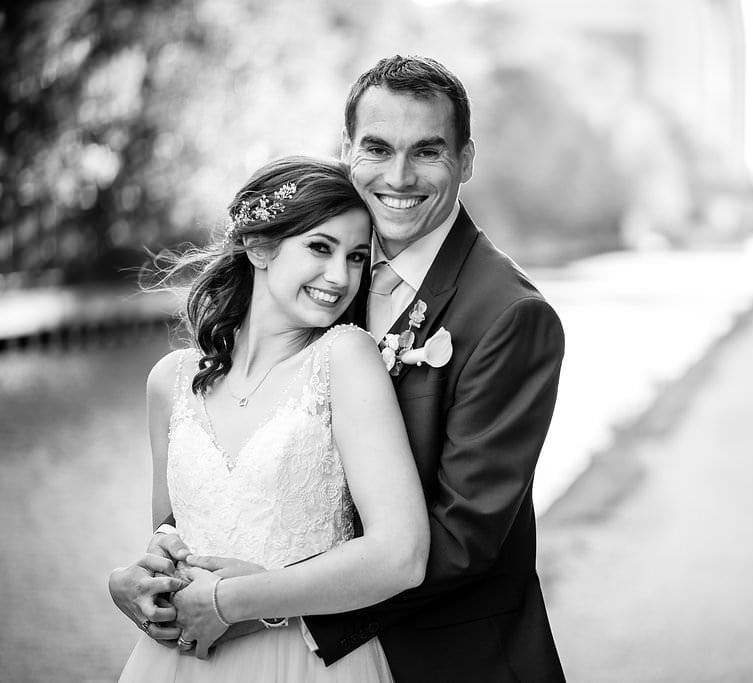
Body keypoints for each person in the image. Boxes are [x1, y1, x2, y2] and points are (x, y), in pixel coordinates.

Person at [112, 55, 567, 682]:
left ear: (466, 160)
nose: (399, 176)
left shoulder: (510, 315)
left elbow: (461, 541)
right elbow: (219, 497)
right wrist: (147, 574)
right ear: (347, 149)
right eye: (377, 147)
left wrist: (260, 604)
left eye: (428, 151)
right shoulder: (333, 272)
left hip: (439, 659)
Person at [114, 155, 429, 682]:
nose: (339, 277)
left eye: (356, 257)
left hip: (299, 663)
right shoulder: (169, 381)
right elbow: (172, 535)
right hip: (178, 665)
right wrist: (132, 582)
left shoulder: (345, 358)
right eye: (320, 248)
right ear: (259, 246)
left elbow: (402, 554)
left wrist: (234, 601)